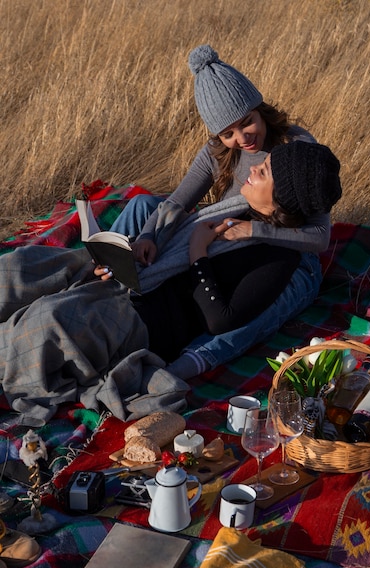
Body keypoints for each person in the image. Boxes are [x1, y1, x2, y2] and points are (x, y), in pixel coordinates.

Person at [0, 141, 341, 425]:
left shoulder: (277, 259)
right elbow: (173, 217)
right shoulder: (237, 207)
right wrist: (128, 249)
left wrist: (198, 254)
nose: (252, 170)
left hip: (146, 320)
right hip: (128, 279)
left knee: (51, 319)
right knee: (16, 271)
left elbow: (221, 319)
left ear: (281, 199)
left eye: (263, 171)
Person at [108, 44, 331, 379]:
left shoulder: (296, 146)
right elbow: (178, 201)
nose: (242, 138)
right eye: (227, 133)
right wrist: (146, 237)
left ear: (259, 108)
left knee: (256, 310)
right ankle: (111, 273)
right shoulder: (216, 152)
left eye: (247, 123)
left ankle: (190, 363)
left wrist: (252, 231)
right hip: (226, 239)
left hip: (287, 253)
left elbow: (320, 237)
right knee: (143, 206)